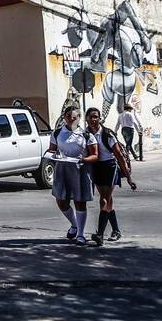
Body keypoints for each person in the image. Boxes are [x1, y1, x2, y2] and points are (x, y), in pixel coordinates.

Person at [46, 105, 98, 247]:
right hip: (62, 168)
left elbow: (95, 155)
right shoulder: (57, 133)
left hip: (80, 169)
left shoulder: (86, 135)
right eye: (68, 116)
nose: (70, 119)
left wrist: (84, 159)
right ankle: (74, 225)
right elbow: (51, 150)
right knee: (61, 201)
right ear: (64, 117)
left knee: (80, 202)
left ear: (79, 118)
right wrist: (53, 154)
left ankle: (80, 234)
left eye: (74, 117)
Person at [85, 107, 136, 245]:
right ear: (86, 119)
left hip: (110, 167)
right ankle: (116, 230)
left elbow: (119, 155)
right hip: (97, 167)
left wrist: (129, 177)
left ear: (100, 118)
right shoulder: (85, 134)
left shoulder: (107, 134)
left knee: (104, 200)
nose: (93, 119)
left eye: (96, 116)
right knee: (108, 201)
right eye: (91, 117)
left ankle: (100, 235)